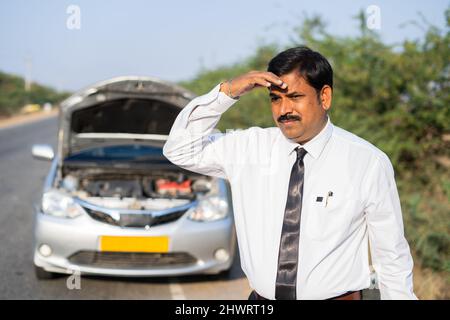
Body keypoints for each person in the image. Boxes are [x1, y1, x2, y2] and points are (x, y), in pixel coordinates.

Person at [163, 46, 417, 300]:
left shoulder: (367, 161)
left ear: (325, 97)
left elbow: (391, 255)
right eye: (275, 99)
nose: (284, 109)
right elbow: (180, 149)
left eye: (295, 97)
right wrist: (227, 92)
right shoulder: (248, 149)